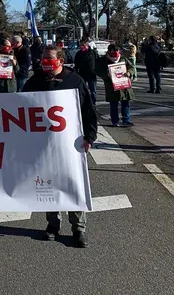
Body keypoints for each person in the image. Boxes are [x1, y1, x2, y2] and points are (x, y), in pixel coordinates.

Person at [22, 45, 97, 248]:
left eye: (49, 59)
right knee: (49, 183)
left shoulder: (75, 81)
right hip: (43, 143)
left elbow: (88, 110)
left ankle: (78, 229)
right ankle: (52, 225)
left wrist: (90, 137)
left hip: (70, 142)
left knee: (73, 183)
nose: (45, 62)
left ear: (60, 61)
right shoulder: (35, 81)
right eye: (43, 59)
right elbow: (19, 105)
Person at [96, 44, 134, 127]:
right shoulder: (103, 60)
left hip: (124, 84)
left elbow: (131, 67)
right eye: (113, 53)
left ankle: (126, 119)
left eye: (117, 52)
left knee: (126, 102)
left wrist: (129, 72)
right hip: (111, 85)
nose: (115, 55)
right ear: (109, 52)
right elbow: (97, 70)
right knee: (114, 104)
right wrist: (106, 75)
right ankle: (114, 121)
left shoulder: (123, 58)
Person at [73, 37, 98, 105]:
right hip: (82, 74)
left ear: (87, 45)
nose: (81, 47)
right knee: (82, 90)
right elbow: (76, 64)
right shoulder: (78, 53)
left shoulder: (93, 53)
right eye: (80, 45)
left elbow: (97, 61)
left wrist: (97, 71)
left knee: (93, 91)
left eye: (83, 45)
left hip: (91, 75)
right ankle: (83, 104)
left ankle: (93, 104)